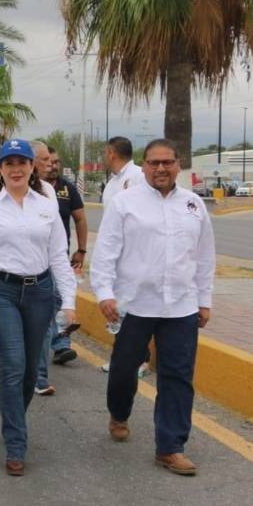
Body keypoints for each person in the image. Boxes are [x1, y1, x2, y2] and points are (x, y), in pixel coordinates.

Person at [91, 139, 215, 476]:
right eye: (154, 162)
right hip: (134, 305)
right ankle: (119, 412)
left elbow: (204, 257)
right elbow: (106, 251)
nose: (161, 168)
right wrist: (104, 292)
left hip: (181, 306)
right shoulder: (124, 203)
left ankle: (170, 447)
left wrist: (204, 300)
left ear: (178, 165)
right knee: (122, 369)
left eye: (167, 162)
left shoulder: (193, 205)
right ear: (144, 165)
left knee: (177, 376)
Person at [0, 139, 77, 476]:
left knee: (28, 371)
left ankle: (14, 417)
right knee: (12, 364)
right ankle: (15, 442)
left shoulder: (46, 205)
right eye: (9, 163)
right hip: (0, 292)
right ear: (0, 169)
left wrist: (68, 300)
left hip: (39, 291)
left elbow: (58, 256)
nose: (16, 169)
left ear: (31, 167)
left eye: (21, 163)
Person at [34, 148, 89, 396]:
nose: (51, 165)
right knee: (45, 312)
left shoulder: (65, 190)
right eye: (46, 160)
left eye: (54, 161)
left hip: (58, 258)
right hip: (31, 265)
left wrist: (82, 250)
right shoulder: (19, 188)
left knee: (57, 303)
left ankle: (60, 346)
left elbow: (80, 219)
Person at [100, 135, 151, 377]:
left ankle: (141, 359)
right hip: (115, 256)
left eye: (104, 152)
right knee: (118, 309)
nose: (103, 157)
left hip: (136, 254)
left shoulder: (139, 176)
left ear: (111, 153)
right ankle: (122, 358)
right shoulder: (112, 183)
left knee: (135, 309)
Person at [101, 136, 145, 206]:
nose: (103, 157)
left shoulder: (141, 176)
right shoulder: (110, 183)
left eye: (105, 153)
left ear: (111, 154)